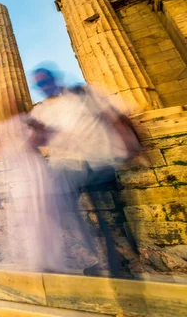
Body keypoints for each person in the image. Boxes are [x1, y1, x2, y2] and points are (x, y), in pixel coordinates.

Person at [28, 67, 141, 277]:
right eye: (40, 84)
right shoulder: (43, 110)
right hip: (66, 167)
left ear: (55, 78)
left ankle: (121, 262)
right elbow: (38, 140)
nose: (44, 87)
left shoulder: (86, 93)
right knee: (59, 211)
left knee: (110, 216)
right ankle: (65, 257)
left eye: (45, 81)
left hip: (99, 162)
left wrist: (131, 143)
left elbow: (115, 116)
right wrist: (36, 131)